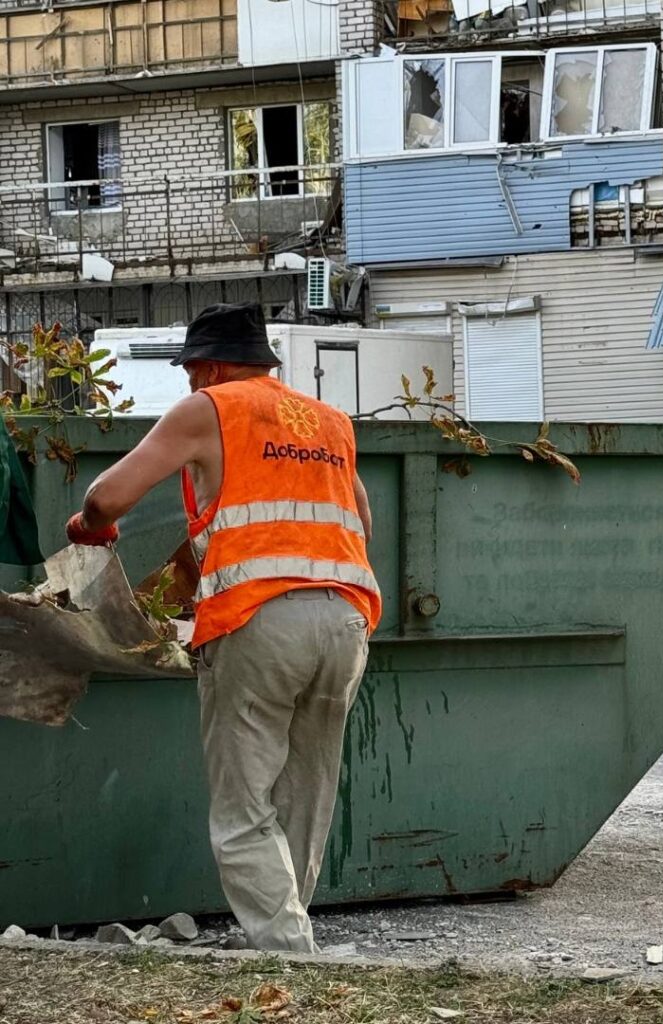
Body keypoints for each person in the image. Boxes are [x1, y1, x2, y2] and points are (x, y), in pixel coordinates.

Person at [66, 302, 381, 953]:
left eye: (189, 371)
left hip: (260, 623)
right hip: (347, 621)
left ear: (207, 365)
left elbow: (107, 497)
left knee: (242, 810)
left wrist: (91, 529)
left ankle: (289, 953)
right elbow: (359, 526)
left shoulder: (209, 409)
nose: (187, 383)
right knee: (306, 796)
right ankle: (289, 936)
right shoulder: (329, 423)